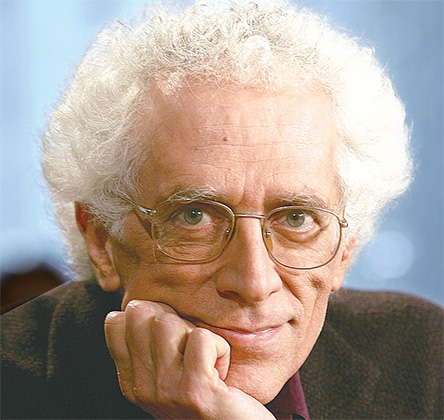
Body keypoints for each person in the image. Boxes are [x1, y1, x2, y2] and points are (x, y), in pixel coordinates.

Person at [2, 2, 442, 419]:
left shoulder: (425, 357)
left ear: (344, 247)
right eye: (194, 216)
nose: (254, 283)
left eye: (296, 218)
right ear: (102, 240)